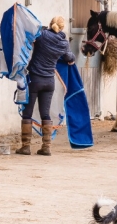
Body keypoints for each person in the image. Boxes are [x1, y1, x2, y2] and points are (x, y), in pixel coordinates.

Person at [17, 15, 76, 156]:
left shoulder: (42, 35)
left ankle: (25, 147)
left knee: (27, 113)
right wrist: (71, 60)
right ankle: (46, 147)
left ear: (50, 24)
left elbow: (30, 34)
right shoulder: (63, 43)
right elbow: (69, 57)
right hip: (49, 82)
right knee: (45, 113)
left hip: (34, 80)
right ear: (62, 28)